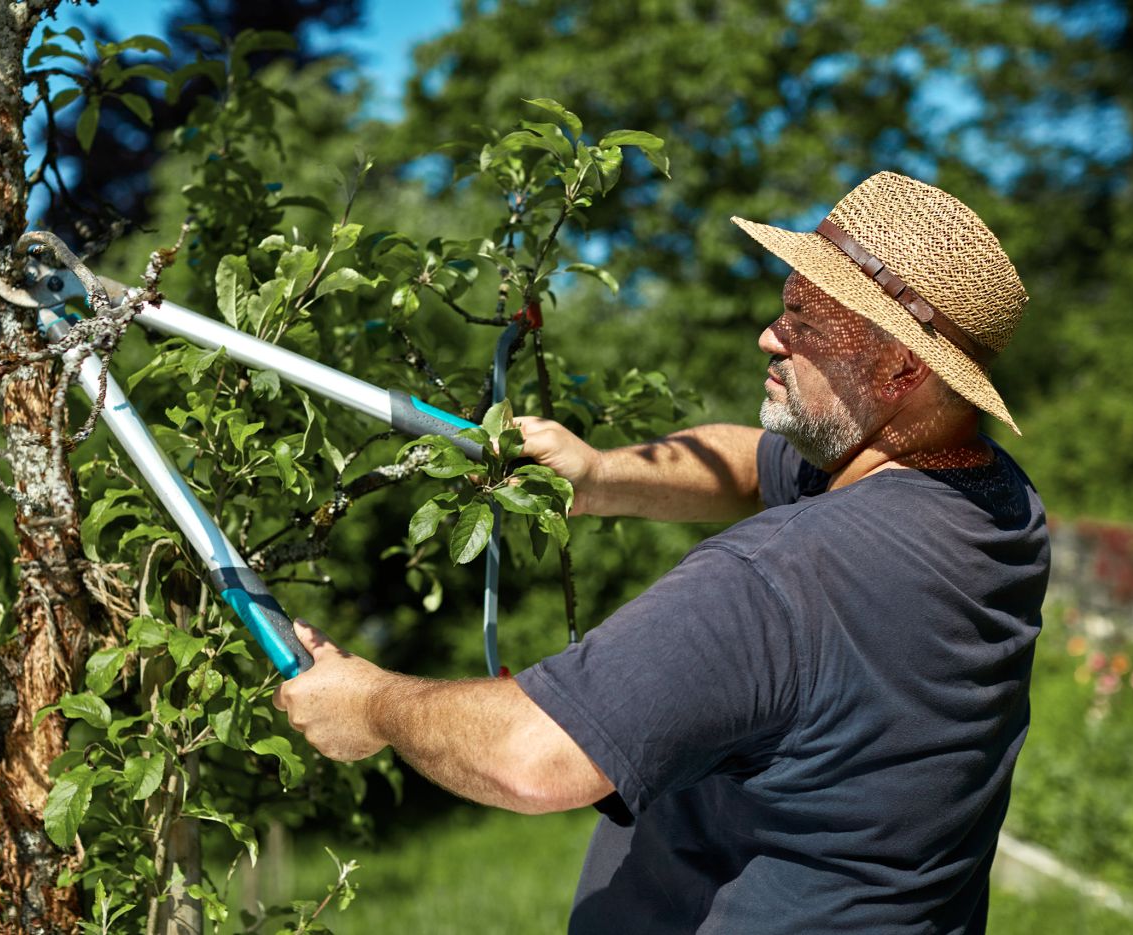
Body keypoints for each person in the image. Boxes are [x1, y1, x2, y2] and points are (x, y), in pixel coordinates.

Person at [274, 171, 1050, 934]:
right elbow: (751, 463)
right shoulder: (996, 505)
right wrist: (603, 474)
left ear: (902, 368)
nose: (769, 335)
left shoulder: (779, 578)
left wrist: (369, 703)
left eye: (805, 319)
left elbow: (530, 757)